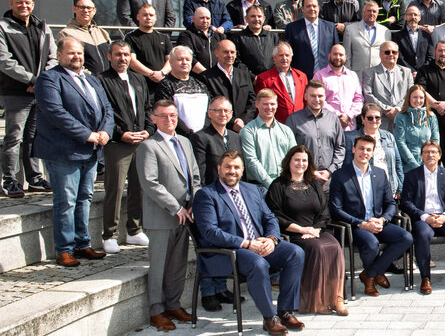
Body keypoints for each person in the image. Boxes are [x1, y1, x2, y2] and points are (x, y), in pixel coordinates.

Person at [193, 151, 306, 335]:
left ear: (242, 170)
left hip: (258, 244)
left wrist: (271, 239)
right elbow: (210, 232)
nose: (232, 171)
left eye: (236, 167)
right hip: (228, 251)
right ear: (219, 169)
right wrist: (246, 244)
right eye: (227, 167)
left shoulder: (252, 190)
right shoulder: (206, 195)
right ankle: (270, 318)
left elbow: (270, 218)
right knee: (258, 263)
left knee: (295, 253)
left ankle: (285, 311)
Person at [34, 37, 114, 266]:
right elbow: (55, 112)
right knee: (66, 201)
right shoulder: (49, 79)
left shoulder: (91, 79)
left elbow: (107, 109)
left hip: (90, 150)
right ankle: (64, 249)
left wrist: (105, 131)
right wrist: (87, 134)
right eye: (71, 53)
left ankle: (82, 243)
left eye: (79, 53)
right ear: (59, 55)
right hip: (63, 151)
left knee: (84, 198)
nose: (76, 57)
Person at [136, 100, 200, 331]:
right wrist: (176, 207)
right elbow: (150, 183)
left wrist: (194, 203)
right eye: (163, 116)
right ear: (153, 119)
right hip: (162, 216)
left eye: (172, 115)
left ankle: (173, 305)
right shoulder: (148, 146)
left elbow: (195, 176)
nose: (169, 120)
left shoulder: (185, 142)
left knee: (177, 266)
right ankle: (156, 311)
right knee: (159, 266)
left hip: (185, 215)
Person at [265, 146, 347, 315]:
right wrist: (302, 230)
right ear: (289, 161)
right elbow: (275, 216)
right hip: (292, 234)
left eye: (304, 160)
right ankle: (318, 301)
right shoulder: (278, 185)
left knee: (335, 247)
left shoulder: (314, 184)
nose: (300, 163)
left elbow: (324, 211)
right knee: (317, 249)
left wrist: (315, 229)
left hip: (315, 231)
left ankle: (336, 298)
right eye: (297, 160)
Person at [330, 135, 413, 296]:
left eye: (368, 150)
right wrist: (362, 224)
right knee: (371, 243)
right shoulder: (340, 175)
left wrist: (382, 219)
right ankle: (374, 275)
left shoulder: (380, 173)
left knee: (406, 238)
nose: (364, 152)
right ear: (353, 149)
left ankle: (370, 273)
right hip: (354, 226)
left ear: (373, 153)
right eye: (361, 148)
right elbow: (336, 209)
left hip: (377, 221)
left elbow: (390, 203)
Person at [0, 0, 56, 196]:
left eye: (27, 2)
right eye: (19, 2)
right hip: (15, 93)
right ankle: (9, 180)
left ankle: (35, 179)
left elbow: (53, 57)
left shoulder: (42, 27)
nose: (23, 5)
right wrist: (33, 80)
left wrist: (42, 81)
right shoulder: (3, 27)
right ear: (11, 4)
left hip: (38, 92)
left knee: (34, 136)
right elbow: (4, 61)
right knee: (14, 138)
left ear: (32, 5)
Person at [98, 41, 152, 254]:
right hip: (117, 143)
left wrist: (148, 130)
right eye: (118, 54)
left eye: (126, 55)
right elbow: (104, 112)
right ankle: (109, 234)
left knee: (139, 187)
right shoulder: (101, 80)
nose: (123, 58)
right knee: (115, 188)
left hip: (141, 141)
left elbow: (147, 107)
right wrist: (121, 134)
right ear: (109, 56)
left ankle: (134, 230)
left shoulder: (138, 79)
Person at [400, 140, 445, 294]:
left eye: (433, 152)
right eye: (426, 152)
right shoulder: (412, 175)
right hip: (423, 217)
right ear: (421, 156)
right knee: (422, 234)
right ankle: (425, 277)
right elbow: (406, 202)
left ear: (439, 155)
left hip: (443, 216)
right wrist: (424, 216)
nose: (430, 155)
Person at [286, 80, 345, 184]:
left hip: (329, 180)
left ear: (325, 97)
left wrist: (330, 171)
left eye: (320, 96)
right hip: (302, 179)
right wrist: (310, 172)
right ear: (305, 96)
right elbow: (288, 150)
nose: (317, 99)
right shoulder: (293, 119)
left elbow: (340, 147)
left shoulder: (333, 119)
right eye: (313, 96)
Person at [240, 89, 297, 188]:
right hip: (260, 187)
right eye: (265, 104)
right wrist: (271, 184)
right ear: (257, 104)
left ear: (277, 105)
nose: (269, 107)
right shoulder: (248, 131)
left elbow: (294, 157)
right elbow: (251, 161)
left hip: (286, 184)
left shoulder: (286, 130)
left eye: (272, 104)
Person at [347, 103, 404, 198]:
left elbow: (397, 162)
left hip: (389, 188)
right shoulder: (352, 138)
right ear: (362, 119)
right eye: (370, 118)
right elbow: (347, 164)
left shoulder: (389, 136)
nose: (374, 121)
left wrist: (399, 188)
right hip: (364, 189)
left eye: (377, 118)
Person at [199, 40, 256, 131]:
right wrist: (233, 122)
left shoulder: (244, 75)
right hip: (219, 129)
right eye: (225, 52)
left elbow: (252, 101)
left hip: (245, 127)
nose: (230, 55)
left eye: (232, 52)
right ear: (216, 53)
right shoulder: (205, 77)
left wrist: (243, 120)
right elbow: (210, 104)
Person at [156, 46, 210, 137]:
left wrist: (203, 133)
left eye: (187, 59)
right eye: (180, 59)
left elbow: (210, 111)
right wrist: (189, 133)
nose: (184, 62)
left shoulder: (201, 85)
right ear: (171, 62)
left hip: (203, 137)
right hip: (179, 137)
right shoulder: (165, 85)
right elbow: (168, 113)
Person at [190, 96, 242, 187]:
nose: (223, 114)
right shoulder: (200, 138)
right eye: (218, 110)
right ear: (209, 113)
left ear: (231, 114)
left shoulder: (236, 137)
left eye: (226, 111)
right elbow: (199, 172)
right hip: (212, 190)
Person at [313, 44, 364, 135]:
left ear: (345, 57)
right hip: (327, 127)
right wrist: (337, 115)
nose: (338, 57)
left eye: (341, 55)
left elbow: (359, 99)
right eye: (335, 54)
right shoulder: (319, 75)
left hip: (349, 127)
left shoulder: (352, 75)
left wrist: (349, 115)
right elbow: (318, 100)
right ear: (329, 56)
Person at [362, 42, 412, 131]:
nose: (391, 54)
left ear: (398, 54)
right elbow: (368, 95)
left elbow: (410, 94)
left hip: (402, 121)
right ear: (380, 54)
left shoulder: (407, 72)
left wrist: (397, 109)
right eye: (387, 52)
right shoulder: (369, 73)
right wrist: (386, 110)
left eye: (394, 52)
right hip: (379, 122)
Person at [285, 0, 339, 78]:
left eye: (314, 6)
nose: (312, 9)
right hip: (301, 77)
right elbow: (288, 53)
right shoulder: (292, 28)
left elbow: (336, 51)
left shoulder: (330, 27)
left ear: (318, 8)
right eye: (308, 6)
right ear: (302, 9)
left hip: (326, 76)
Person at [125, 3, 172, 97]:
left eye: (151, 15)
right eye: (145, 15)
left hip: (162, 85)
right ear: (138, 17)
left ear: (155, 17)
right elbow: (132, 61)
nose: (148, 18)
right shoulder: (130, 37)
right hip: (140, 85)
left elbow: (171, 60)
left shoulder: (164, 37)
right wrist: (152, 74)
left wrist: (162, 73)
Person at [253, 42, 307, 123]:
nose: (284, 58)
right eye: (281, 55)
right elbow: (260, 107)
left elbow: (306, 101)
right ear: (274, 58)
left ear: (291, 57)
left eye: (287, 55)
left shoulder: (302, 76)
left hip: (300, 123)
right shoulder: (264, 79)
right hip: (277, 125)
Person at [58, 0, 110, 75]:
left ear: (94, 11)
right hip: (84, 79)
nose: (85, 10)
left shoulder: (102, 33)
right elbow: (68, 62)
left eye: (89, 8)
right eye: (81, 7)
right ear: (74, 9)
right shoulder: (66, 33)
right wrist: (91, 77)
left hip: (107, 80)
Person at [395, 84, 440, 174]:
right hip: (407, 167)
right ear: (409, 98)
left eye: (421, 98)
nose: (418, 101)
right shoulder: (400, 117)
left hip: (428, 165)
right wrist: (415, 165)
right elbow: (400, 143)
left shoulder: (431, 117)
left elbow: (435, 141)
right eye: (415, 97)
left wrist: (427, 162)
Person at [344, 0, 392, 76]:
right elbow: (347, 56)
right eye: (369, 11)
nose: (371, 13)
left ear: (377, 13)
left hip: (379, 75)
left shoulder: (386, 31)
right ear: (363, 12)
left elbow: (388, 56)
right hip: (357, 75)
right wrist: (348, 75)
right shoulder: (350, 30)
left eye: (374, 11)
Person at [231, 5, 280, 77]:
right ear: (246, 19)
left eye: (259, 16)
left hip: (271, 79)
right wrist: (252, 77)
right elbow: (237, 61)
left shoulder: (273, 37)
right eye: (253, 16)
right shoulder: (238, 38)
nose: (256, 19)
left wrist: (271, 75)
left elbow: (278, 58)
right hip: (249, 80)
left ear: (264, 19)